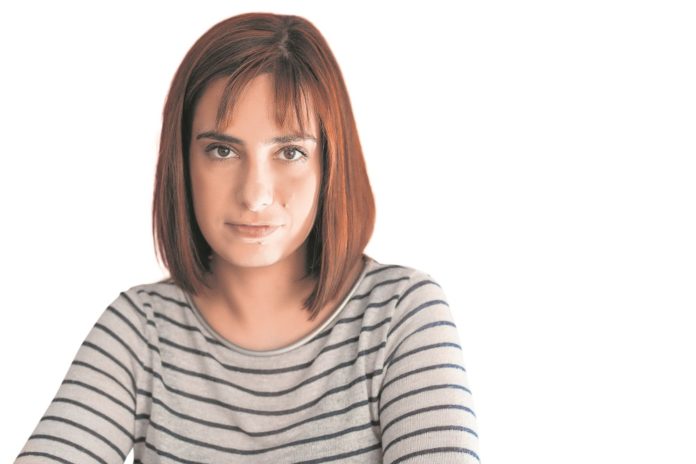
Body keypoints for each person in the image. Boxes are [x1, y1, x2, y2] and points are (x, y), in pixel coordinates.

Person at [14, 12, 479, 463]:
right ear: (182, 162)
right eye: (222, 151)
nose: (255, 195)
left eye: (290, 152)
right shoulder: (141, 329)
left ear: (330, 164)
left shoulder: (398, 314)